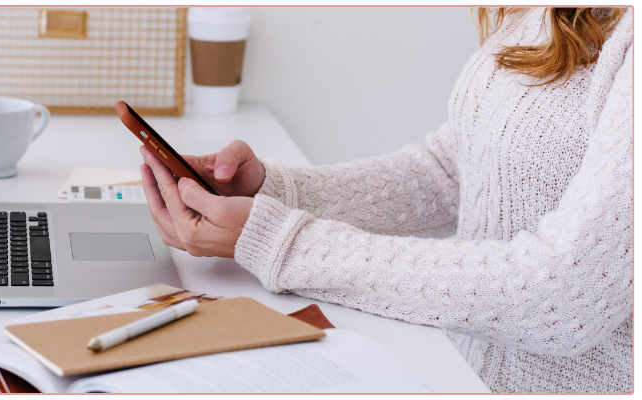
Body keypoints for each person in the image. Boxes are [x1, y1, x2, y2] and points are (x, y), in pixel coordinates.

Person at [138, 7, 632, 393]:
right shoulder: (548, 13)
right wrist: (272, 190)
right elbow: (453, 169)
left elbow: (567, 295)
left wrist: (281, 242)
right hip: (452, 369)